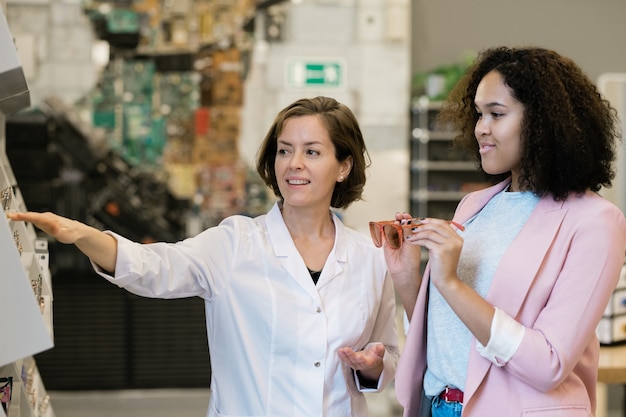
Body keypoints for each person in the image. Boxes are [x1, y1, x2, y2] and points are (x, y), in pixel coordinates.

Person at [8, 96, 399, 417]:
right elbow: (154, 267)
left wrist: (374, 366)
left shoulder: (370, 257)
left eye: (312, 152)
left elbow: (390, 352)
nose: (294, 163)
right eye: (285, 150)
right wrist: (81, 235)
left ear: (344, 166)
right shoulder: (236, 243)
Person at [381, 46, 626, 416]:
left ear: (544, 122)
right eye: (479, 114)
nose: (481, 127)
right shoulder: (475, 206)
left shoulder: (594, 221)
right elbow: (447, 335)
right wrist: (407, 278)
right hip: (440, 407)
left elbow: (548, 365)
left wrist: (450, 282)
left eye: (496, 114)